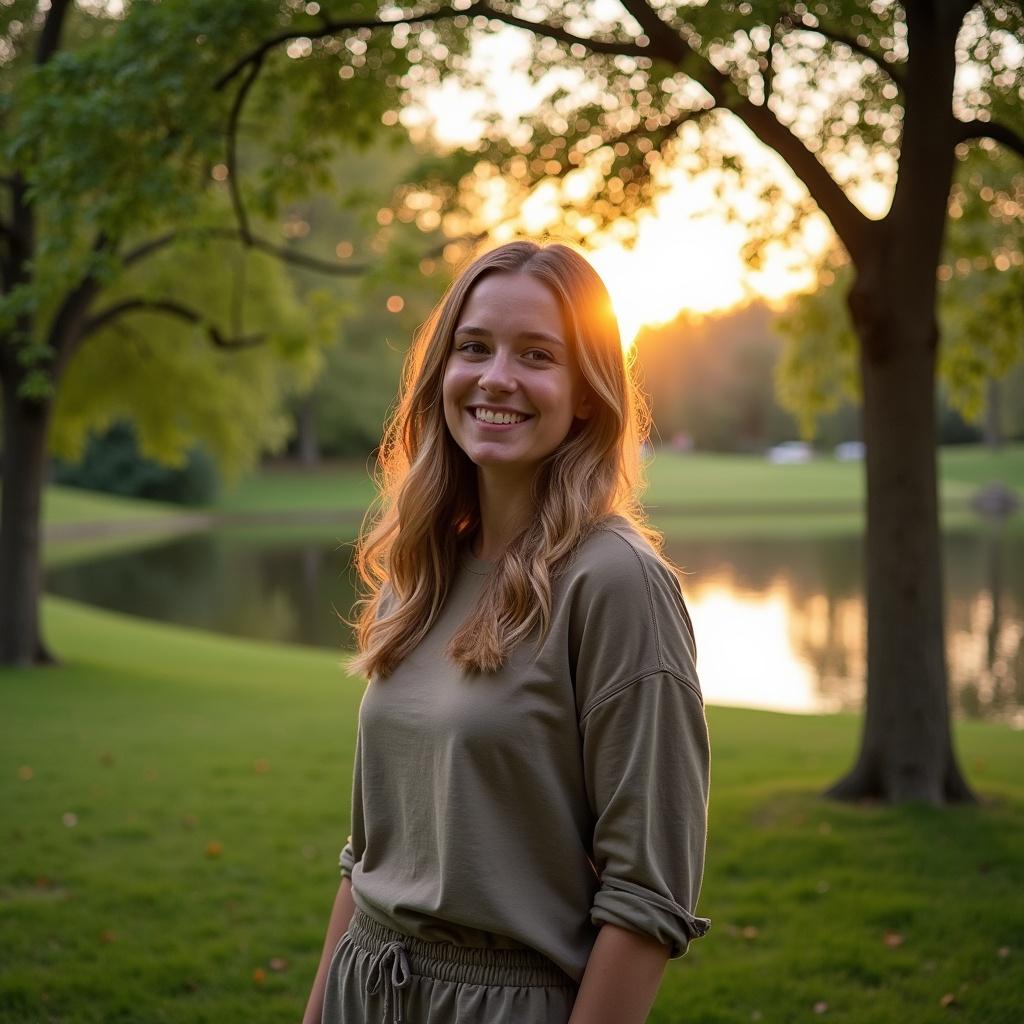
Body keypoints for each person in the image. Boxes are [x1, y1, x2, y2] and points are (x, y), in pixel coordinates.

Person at [303, 240, 711, 1024]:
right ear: (441, 371)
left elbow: (646, 902)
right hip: (368, 987)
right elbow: (366, 861)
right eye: (474, 347)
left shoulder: (616, 584)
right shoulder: (421, 566)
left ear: (586, 392)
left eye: (537, 355)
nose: (496, 379)